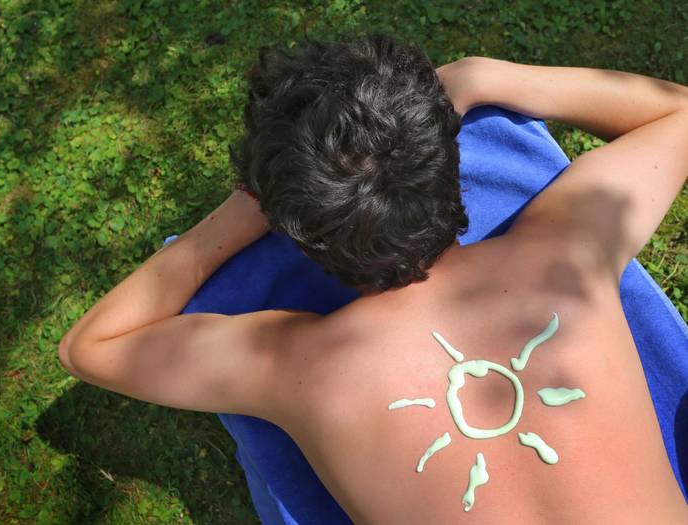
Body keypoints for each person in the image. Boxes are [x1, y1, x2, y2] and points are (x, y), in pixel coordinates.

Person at [58, 33, 688, 523]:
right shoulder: (568, 251)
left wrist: (246, 207)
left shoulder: (298, 367)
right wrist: (483, 75)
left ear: (295, 230)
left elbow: (90, 347)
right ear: (452, 164)